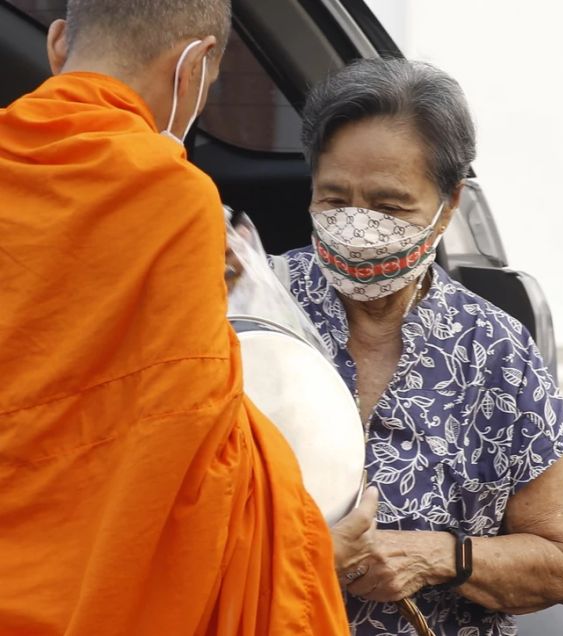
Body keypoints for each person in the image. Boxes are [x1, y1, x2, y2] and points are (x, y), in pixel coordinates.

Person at [0, 2, 348, 634]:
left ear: (57, 45)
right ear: (193, 67)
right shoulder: (172, 196)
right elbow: (189, 451)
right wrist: (300, 520)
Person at [278, 58, 563, 635]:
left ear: (449, 205)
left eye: (389, 207)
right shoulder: (254, 311)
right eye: (334, 199)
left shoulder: (492, 351)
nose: (357, 225)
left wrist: (438, 557)